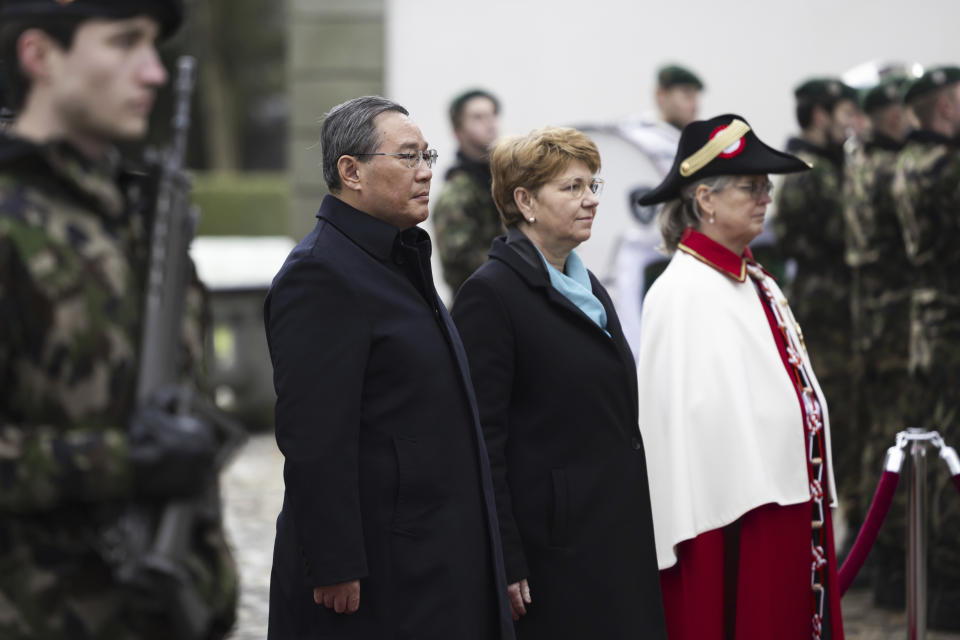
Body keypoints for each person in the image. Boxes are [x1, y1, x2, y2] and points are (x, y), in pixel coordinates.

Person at [0, 1, 238, 638]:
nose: (153, 72)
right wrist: (121, 458)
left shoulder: (135, 216)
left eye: (154, 45)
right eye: (124, 42)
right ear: (39, 56)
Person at [263, 95, 514, 640]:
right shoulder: (321, 273)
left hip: (431, 550)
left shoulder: (396, 256)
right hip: (380, 570)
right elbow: (314, 435)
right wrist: (333, 561)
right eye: (407, 157)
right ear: (350, 171)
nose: (426, 172)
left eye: (427, 155)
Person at [451, 127, 667, 640]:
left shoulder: (584, 282)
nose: (591, 200)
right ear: (524, 200)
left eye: (593, 185)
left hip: (612, 526)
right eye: (572, 188)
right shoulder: (491, 295)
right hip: (554, 549)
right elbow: (480, 439)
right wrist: (504, 555)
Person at [636, 114, 844, 639]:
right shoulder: (679, 293)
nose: (766, 198)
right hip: (731, 525)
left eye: (766, 187)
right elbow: (681, 439)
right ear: (705, 199)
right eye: (751, 187)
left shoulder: (753, 279)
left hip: (782, 504)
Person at [773, 77, 860, 529]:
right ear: (821, 115)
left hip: (840, 309)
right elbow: (852, 236)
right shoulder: (811, 172)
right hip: (829, 313)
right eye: (844, 113)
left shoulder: (825, 166)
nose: (851, 124)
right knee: (842, 424)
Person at [890, 65, 960, 629]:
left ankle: (933, 580)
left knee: (937, 445)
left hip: (926, 316)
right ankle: (946, 585)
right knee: (951, 453)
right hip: (952, 319)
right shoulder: (947, 166)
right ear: (947, 105)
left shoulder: (908, 162)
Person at [842, 76, 915, 604]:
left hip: (869, 319)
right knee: (896, 438)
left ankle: (879, 556)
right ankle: (891, 558)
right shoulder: (891, 167)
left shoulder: (858, 162)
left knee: (875, 437)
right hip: (897, 321)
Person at [432, 88, 503, 294]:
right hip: (478, 306)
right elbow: (458, 265)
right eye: (478, 117)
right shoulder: (456, 192)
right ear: (458, 131)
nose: (490, 124)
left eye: (492, 115)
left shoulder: (500, 180)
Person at [620, 64, 705, 177]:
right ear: (661, 95)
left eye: (695, 98)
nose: (694, 106)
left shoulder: (701, 142)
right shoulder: (634, 136)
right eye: (687, 96)